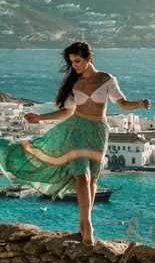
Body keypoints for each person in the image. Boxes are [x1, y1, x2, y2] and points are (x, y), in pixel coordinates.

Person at [0, 41, 151, 246]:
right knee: (82, 175)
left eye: (77, 61)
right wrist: (40, 117)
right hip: (76, 130)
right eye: (71, 62)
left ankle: (82, 223)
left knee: (92, 180)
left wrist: (140, 104)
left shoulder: (107, 79)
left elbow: (122, 104)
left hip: (98, 131)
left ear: (89, 58)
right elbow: (66, 112)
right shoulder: (74, 83)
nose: (74, 66)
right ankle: (88, 224)